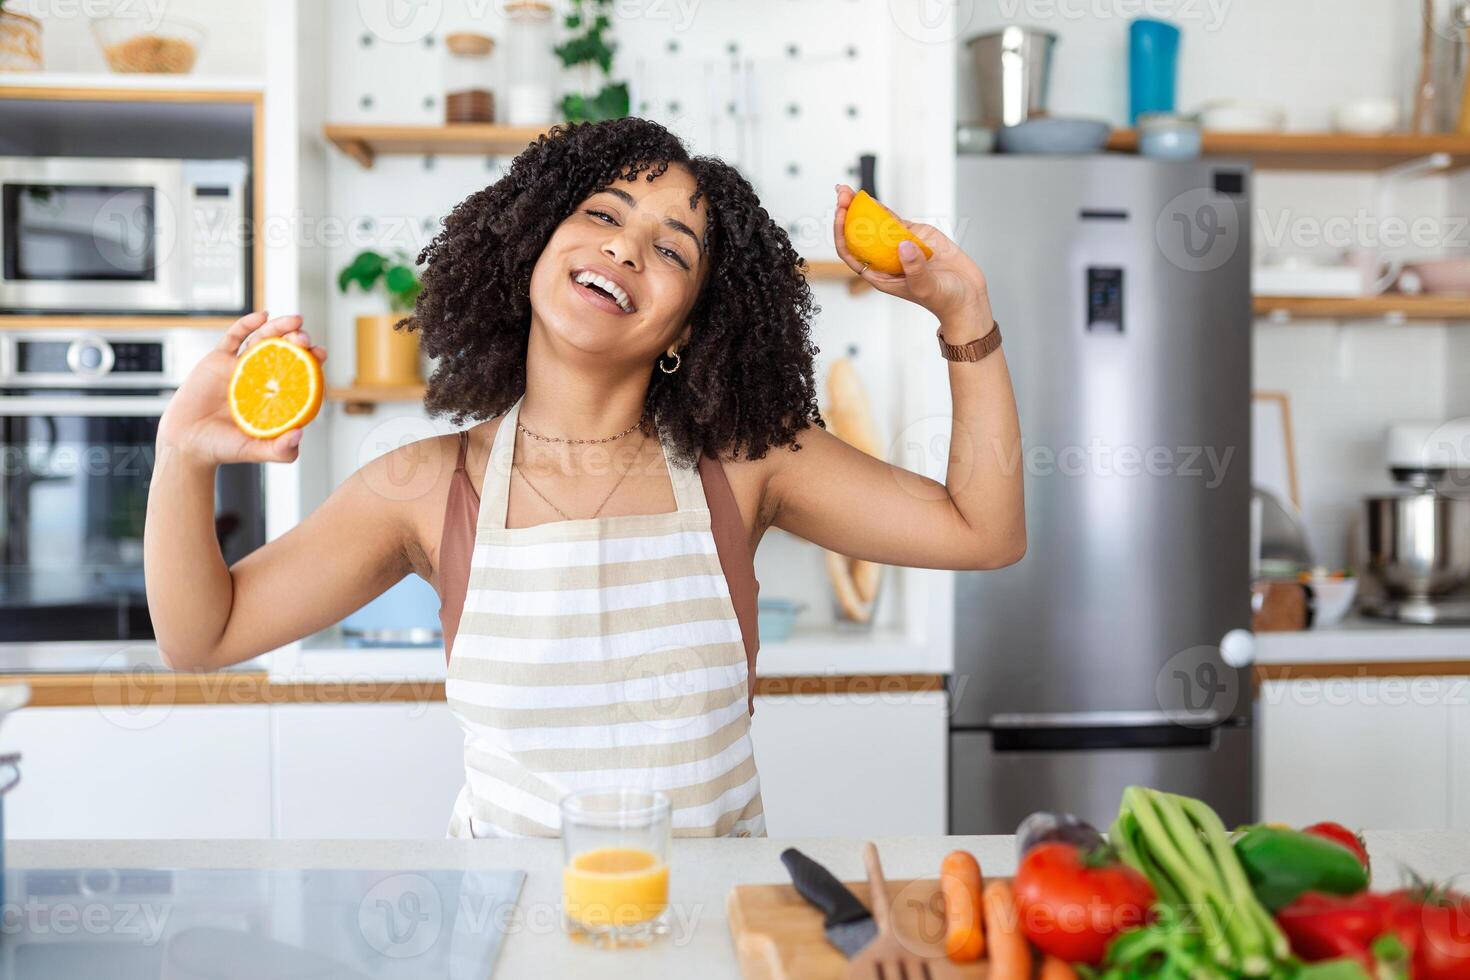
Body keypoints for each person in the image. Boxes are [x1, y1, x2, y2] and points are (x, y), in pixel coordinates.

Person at [144, 116, 1024, 839]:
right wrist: (181, 455)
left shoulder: (748, 461)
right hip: (507, 936)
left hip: (712, 943)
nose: (627, 249)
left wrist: (966, 317)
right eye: (604, 214)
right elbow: (203, 635)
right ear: (537, 244)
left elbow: (982, 531)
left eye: (673, 250)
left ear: (686, 328)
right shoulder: (422, 487)